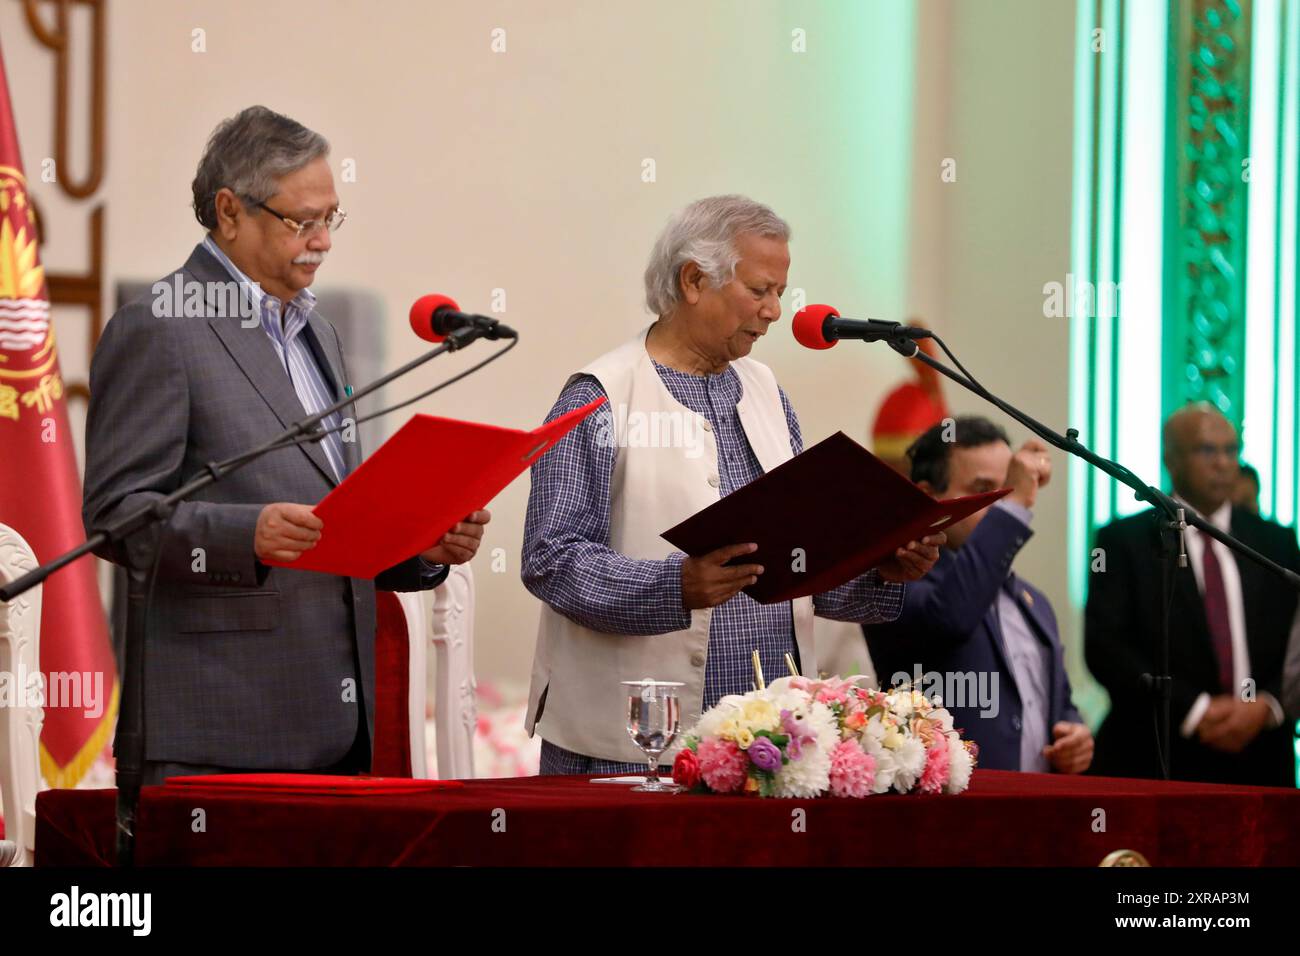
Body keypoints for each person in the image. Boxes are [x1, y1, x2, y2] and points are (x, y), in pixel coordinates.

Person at [83, 106, 489, 785]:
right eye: (303, 220)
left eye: (332, 217)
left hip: (336, 726)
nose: (323, 240)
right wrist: (248, 535)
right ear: (229, 210)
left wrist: (417, 545)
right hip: (220, 734)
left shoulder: (317, 332)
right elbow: (115, 520)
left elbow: (332, 525)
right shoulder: (159, 327)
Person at [521, 194, 942, 775]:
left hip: (768, 743)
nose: (774, 311)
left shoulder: (767, 390)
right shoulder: (600, 396)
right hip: (628, 748)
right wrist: (678, 585)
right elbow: (552, 560)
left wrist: (880, 568)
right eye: (760, 290)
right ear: (693, 280)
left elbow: (792, 560)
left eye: (780, 293)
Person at [1086, 403, 1300, 786]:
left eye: (1231, 451)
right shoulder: (1124, 542)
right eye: (1207, 450)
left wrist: (1268, 705)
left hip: (1263, 756)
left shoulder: (1275, 541)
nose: (1222, 463)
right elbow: (1105, 648)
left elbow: (1294, 643)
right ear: (1171, 458)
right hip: (1159, 753)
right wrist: (1197, 710)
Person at [866, 416, 1093, 773]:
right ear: (928, 497)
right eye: (984, 489)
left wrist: (1075, 732)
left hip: (1042, 805)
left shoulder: (1033, 601)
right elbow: (952, 616)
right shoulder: (890, 584)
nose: (999, 504)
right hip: (953, 808)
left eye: (1006, 489)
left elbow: (1058, 700)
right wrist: (1015, 505)